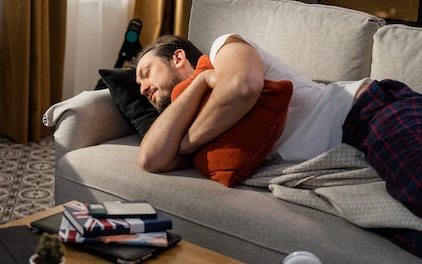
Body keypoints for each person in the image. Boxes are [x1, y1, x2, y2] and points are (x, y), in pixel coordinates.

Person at [135, 34, 372, 173]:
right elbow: (150, 160)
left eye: (146, 73)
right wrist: (201, 83)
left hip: (362, 110)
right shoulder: (196, 123)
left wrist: (188, 142)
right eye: (139, 87)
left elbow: (243, 86)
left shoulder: (222, 48)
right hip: (347, 154)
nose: (143, 88)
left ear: (178, 58)